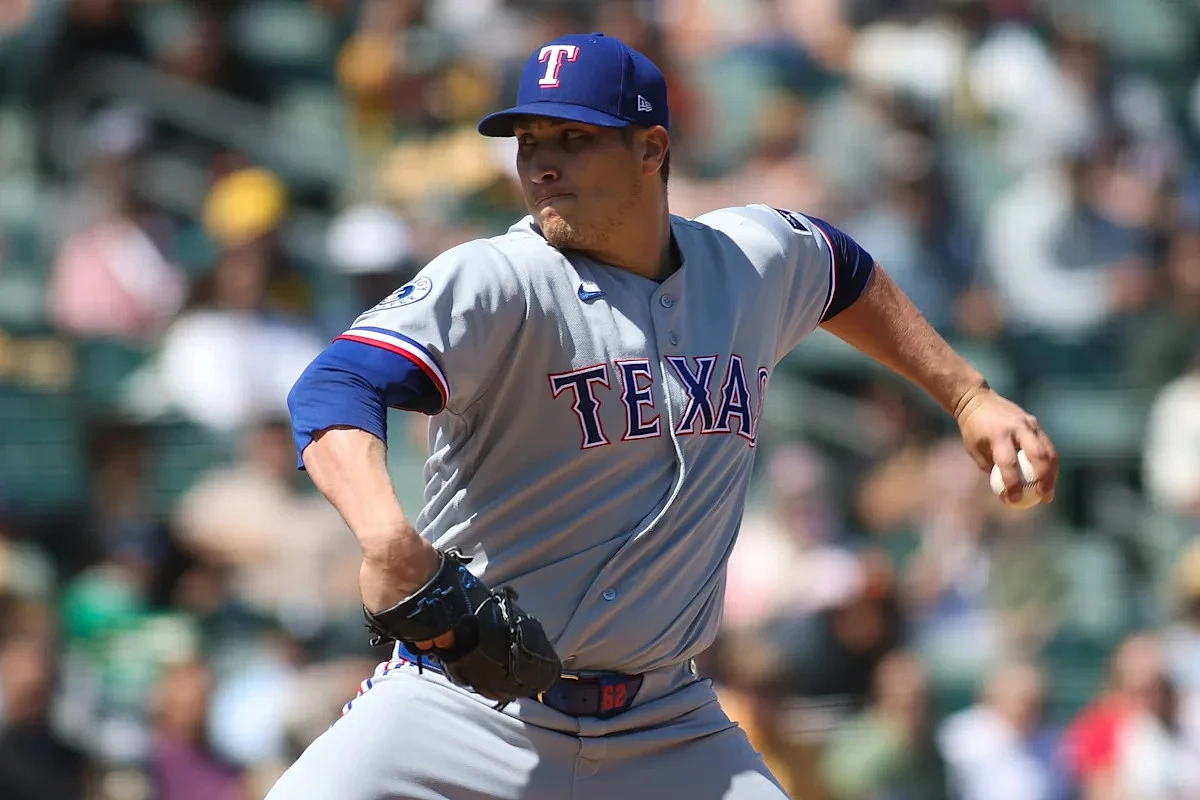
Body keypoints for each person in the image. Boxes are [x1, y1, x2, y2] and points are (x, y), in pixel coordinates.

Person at [268, 32, 1059, 800]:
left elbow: (837, 267)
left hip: (662, 723)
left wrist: (967, 395)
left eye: (574, 139)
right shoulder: (499, 279)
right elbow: (334, 385)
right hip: (460, 708)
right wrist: (389, 537)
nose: (541, 164)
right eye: (528, 141)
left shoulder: (747, 260)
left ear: (651, 149)